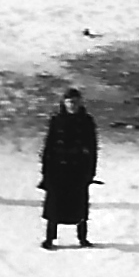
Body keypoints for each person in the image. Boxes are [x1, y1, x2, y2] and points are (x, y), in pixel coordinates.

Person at [39, 88, 98, 249]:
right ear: (64, 103)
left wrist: (90, 171)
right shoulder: (56, 120)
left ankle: (82, 238)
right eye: (69, 102)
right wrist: (45, 170)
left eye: (75, 102)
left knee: (79, 206)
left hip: (78, 170)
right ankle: (50, 238)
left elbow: (92, 147)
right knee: (54, 206)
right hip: (58, 169)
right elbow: (48, 146)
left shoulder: (86, 121)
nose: (72, 105)